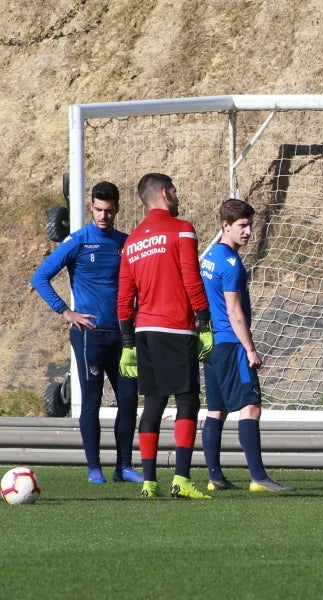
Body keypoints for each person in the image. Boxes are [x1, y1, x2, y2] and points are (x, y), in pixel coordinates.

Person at [31, 182, 143, 485]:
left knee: (129, 399)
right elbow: (40, 277)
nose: (103, 215)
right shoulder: (78, 241)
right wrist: (66, 311)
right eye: (98, 210)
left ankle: (124, 466)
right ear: (91, 207)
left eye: (109, 210)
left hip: (123, 335)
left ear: (117, 209)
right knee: (91, 400)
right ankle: (94, 468)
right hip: (89, 335)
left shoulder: (126, 243)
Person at [117, 172, 213, 500]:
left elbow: (124, 296)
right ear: (165, 193)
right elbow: (191, 278)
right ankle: (181, 479)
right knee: (187, 398)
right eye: (175, 191)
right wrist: (204, 324)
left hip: (144, 330)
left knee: (154, 402)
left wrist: (127, 343)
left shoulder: (131, 242)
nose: (178, 196)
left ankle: (149, 482)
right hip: (175, 326)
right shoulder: (181, 229)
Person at [200, 199, 294, 493]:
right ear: (225, 225)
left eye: (250, 225)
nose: (248, 231)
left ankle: (215, 477)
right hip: (232, 344)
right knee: (250, 407)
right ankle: (258, 477)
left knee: (216, 410)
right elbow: (234, 311)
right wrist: (250, 349)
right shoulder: (231, 264)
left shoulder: (209, 257)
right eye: (242, 225)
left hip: (213, 345)